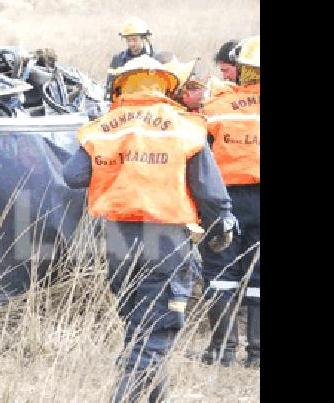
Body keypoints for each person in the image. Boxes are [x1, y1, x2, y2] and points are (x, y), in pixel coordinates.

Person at [62, 54, 236, 402]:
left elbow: (73, 176)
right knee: (156, 332)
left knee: (139, 326)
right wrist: (222, 228)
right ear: (167, 85)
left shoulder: (104, 126)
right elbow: (213, 197)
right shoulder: (185, 127)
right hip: (168, 241)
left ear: (121, 85)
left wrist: (117, 166)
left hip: (118, 241)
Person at [199, 35, 260, 369]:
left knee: (220, 272)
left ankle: (221, 351)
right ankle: (257, 353)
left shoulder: (216, 109)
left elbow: (199, 159)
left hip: (225, 201)